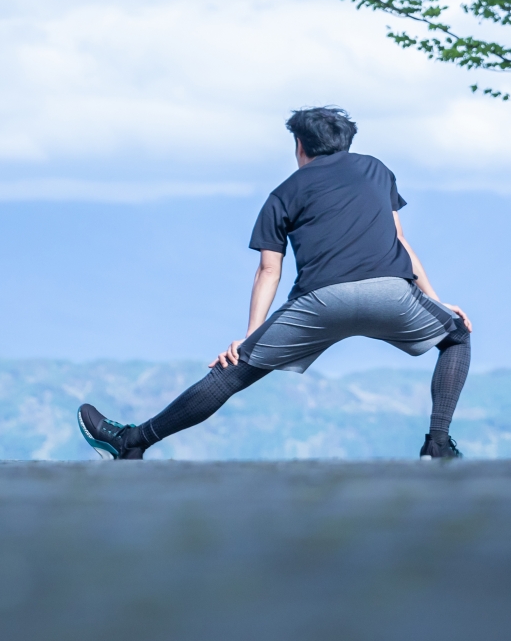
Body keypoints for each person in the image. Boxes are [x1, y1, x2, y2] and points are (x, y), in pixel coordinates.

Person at [78, 106, 472, 461]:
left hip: (320, 302)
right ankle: (437, 444)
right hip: (391, 292)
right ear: (347, 143)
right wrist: (437, 303)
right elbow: (400, 241)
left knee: (232, 374)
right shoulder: (376, 170)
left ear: (300, 145)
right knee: (456, 337)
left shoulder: (283, 193)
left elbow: (269, 269)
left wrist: (249, 338)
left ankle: (134, 442)